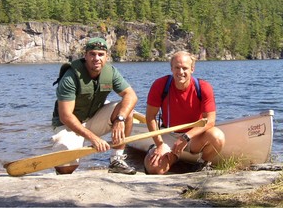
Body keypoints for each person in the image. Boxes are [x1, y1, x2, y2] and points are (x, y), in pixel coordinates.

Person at [51, 37, 138, 175]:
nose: (96, 58)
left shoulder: (111, 73)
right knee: (66, 168)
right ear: (85, 56)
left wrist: (120, 119)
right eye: (92, 54)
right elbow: (65, 116)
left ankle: (117, 159)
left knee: (127, 110)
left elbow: (131, 95)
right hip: (68, 125)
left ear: (106, 57)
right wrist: (94, 138)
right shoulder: (70, 77)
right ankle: (65, 153)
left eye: (101, 54)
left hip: (92, 119)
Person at [144, 51, 225, 174]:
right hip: (169, 134)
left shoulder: (203, 87)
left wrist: (186, 137)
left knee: (218, 137)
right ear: (171, 68)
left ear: (192, 69)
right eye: (177, 67)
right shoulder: (160, 85)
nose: (180, 72)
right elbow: (150, 117)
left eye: (185, 68)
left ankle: (202, 164)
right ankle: (158, 151)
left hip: (193, 136)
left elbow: (210, 121)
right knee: (155, 169)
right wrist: (159, 144)